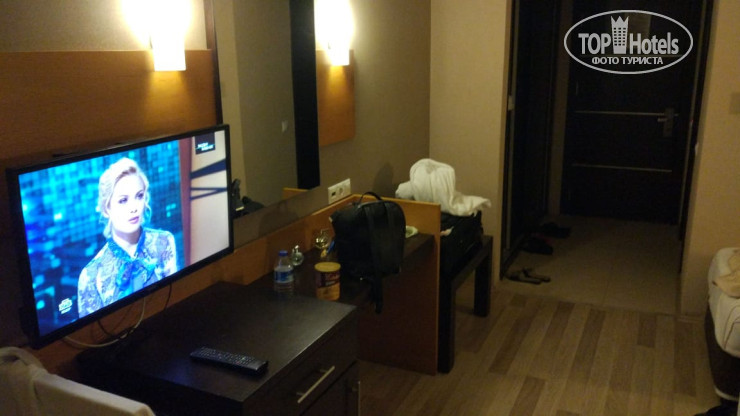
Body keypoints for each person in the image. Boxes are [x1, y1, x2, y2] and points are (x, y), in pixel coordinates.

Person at [77, 157, 177, 318]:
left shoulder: (164, 242)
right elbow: (90, 330)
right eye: (123, 200)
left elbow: (175, 299)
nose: (134, 208)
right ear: (107, 209)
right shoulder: (91, 275)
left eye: (139, 196)